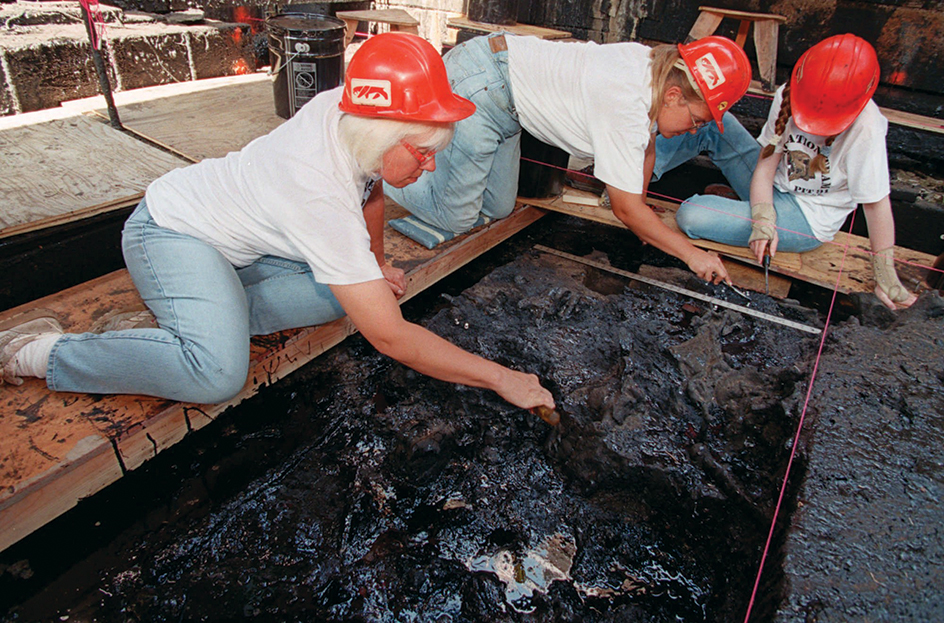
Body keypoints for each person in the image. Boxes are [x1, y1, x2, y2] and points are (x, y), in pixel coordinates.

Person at [0, 33, 556, 416]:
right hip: (170, 232)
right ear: (383, 138)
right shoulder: (318, 190)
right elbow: (390, 337)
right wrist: (500, 377)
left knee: (350, 294)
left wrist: (377, 260)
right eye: (424, 152)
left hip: (242, 242)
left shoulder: (358, 113)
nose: (431, 163)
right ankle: (39, 352)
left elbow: (374, 190)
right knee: (215, 375)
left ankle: (190, 324)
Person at [384, 33, 754, 284]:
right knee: (459, 217)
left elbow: (648, 145)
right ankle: (385, 172)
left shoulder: (653, 69)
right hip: (479, 87)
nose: (694, 131)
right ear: (674, 95)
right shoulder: (626, 103)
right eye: (697, 121)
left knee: (498, 209)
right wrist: (692, 256)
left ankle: (437, 172)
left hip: (505, 104)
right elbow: (625, 210)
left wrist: (644, 213)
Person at [675, 34, 917, 310]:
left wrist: (886, 276)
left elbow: (876, 205)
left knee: (692, 215)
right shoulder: (790, 93)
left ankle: (737, 207)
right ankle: (630, 188)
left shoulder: (867, 127)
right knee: (716, 122)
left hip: (806, 217)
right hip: (770, 185)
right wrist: (763, 218)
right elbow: (766, 164)